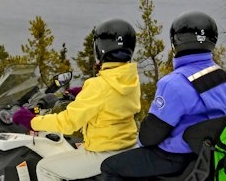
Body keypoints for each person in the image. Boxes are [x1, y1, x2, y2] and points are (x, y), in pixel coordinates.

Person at [100, 11, 226, 180]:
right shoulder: (224, 78)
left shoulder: (174, 84)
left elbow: (150, 136)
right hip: (207, 155)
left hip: (176, 157)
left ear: (176, 43)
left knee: (110, 166)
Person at [11, 18, 141, 181]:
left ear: (100, 48)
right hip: (126, 145)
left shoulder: (99, 86)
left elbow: (67, 122)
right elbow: (112, 97)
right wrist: (82, 92)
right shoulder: (130, 78)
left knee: (45, 168)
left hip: (103, 152)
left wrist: (31, 121)